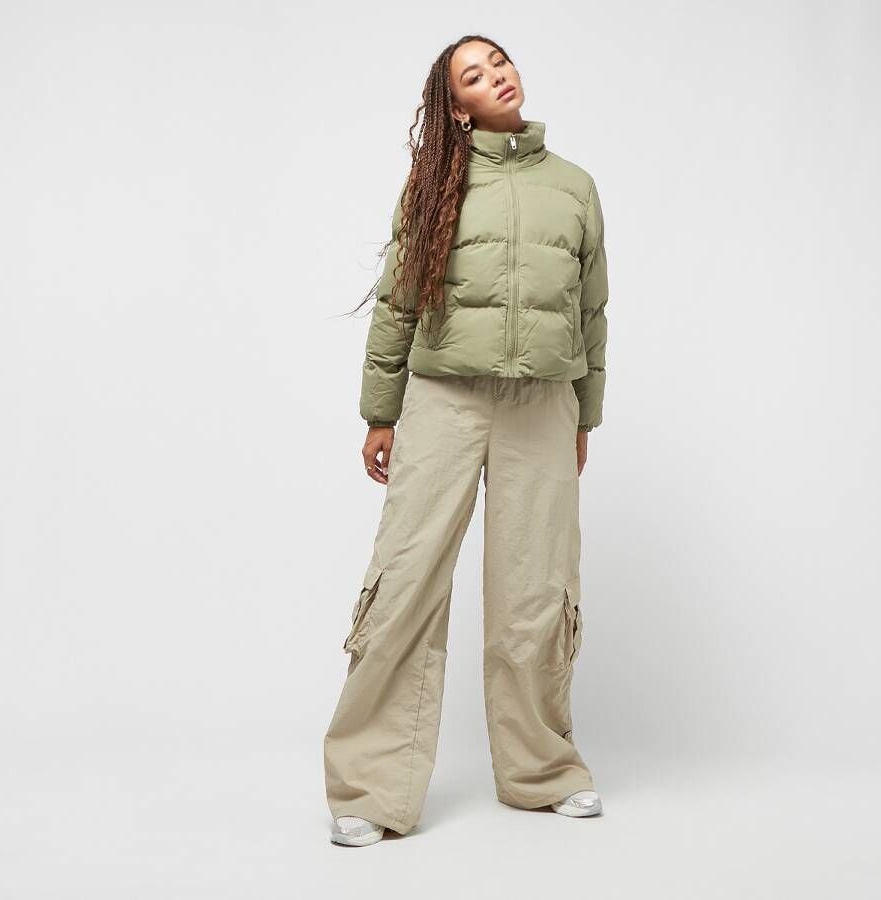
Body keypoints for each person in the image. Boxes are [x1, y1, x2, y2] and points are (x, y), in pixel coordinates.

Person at [324, 34, 609, 846]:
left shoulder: (575, 187)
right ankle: (370, 788)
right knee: (406, 579)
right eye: (475, 75)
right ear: (457, 107)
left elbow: (592, 310)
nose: (497, 77)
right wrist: (381, 412)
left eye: (500, 63)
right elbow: (398, 302)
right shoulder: (434, 184)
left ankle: (543, 771)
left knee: (536, 592)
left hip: (543, 403)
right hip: (445, 398)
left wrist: (583, 416)